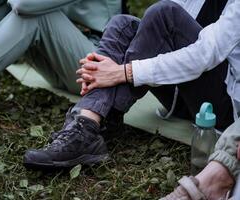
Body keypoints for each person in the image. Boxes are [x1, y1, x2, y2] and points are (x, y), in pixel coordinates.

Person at [23, 0, 240, 198]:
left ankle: (100, 118)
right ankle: (88, 121)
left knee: (165, 13)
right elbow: (158, 36)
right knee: (123, 25)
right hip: (183, 92)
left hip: (224, 105)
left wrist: (122, 72)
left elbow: (204, 55)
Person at [0, 0, 122, 120]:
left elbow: (23, 4)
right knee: (3, 5)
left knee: (32, 15)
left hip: (94, 64)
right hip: (61, 58)